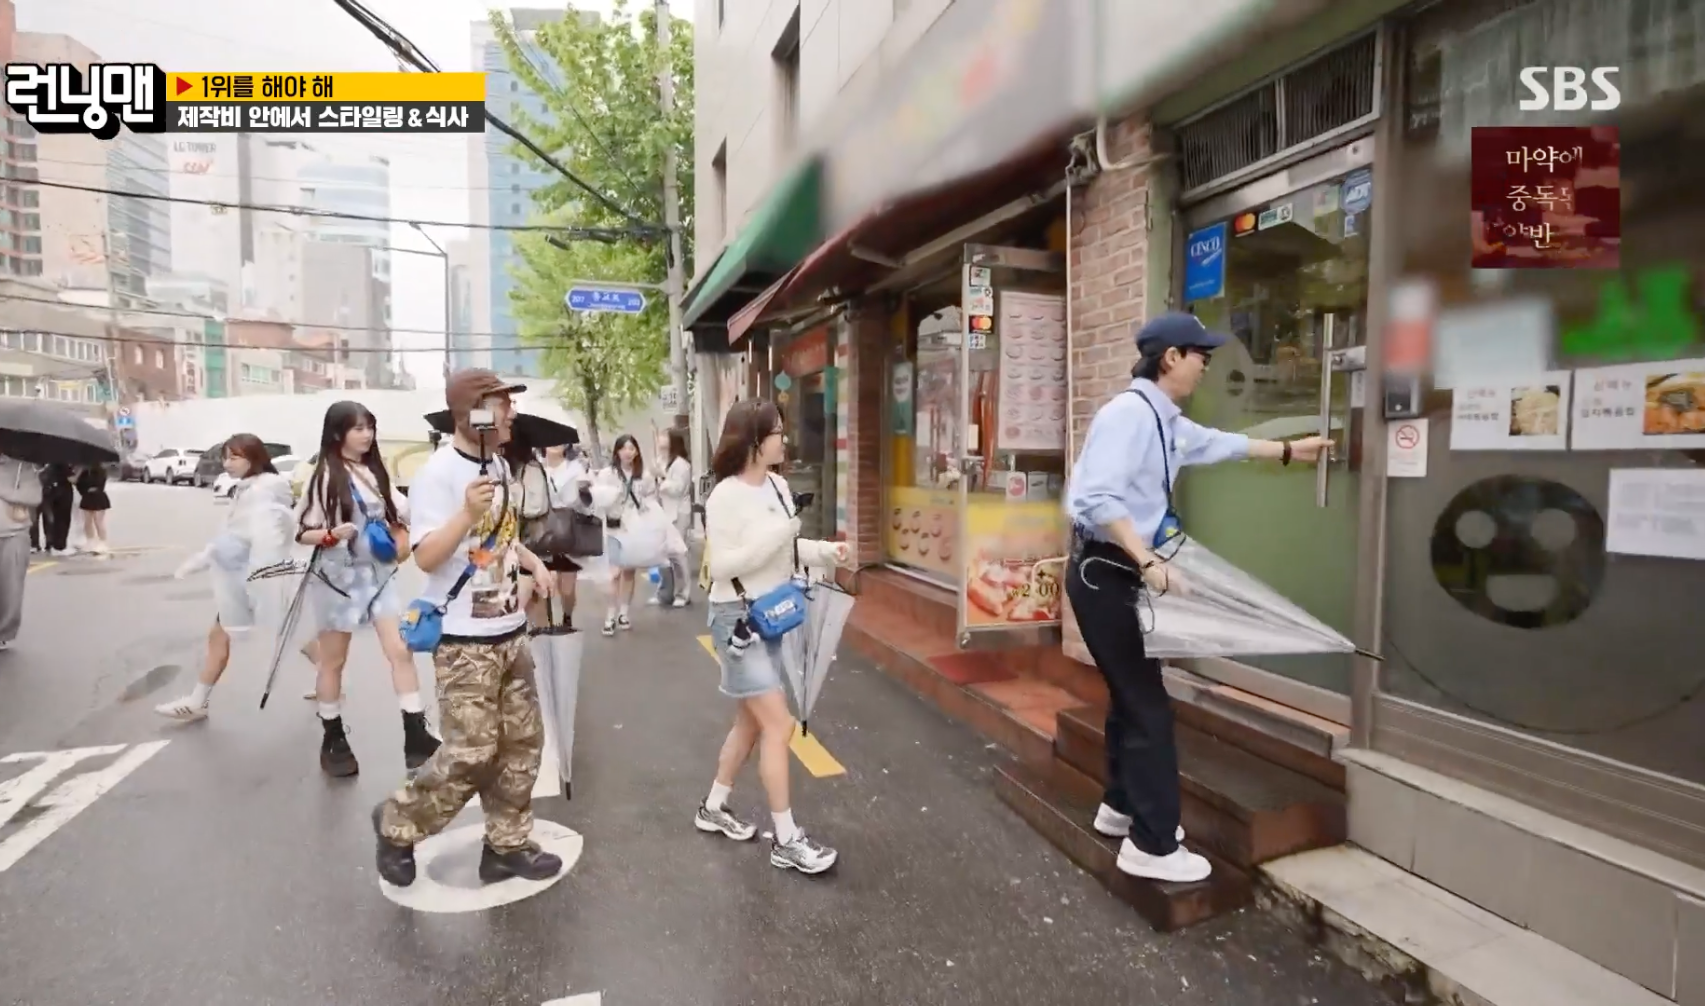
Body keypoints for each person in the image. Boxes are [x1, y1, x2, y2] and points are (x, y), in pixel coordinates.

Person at [1064, 312, 1332, 883]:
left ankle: (1120, 806)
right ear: (1170, 359)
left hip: (1116, 573)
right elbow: (1096, 498)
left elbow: (1218, 444)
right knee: (1148, 706)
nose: (1206, 364)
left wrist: (1289, 451)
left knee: (1131, 695)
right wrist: (1148, 558)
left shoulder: (1165, 422)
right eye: (1200, 354)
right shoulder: (1127, 417)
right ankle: (1152, 845)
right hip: (1104, 573)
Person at [371, 368, 563, 887]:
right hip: (463, 640)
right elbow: (426, 557)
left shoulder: (498, 465)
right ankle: (397, 825)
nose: (512, 415)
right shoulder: (439, 474)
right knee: (469, 753)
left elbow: (496, 537)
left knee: (522, 743)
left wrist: (532, 562)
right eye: (503, 405)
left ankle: (507, 845)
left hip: (509, 628)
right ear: (476, 413)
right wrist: (462, 512)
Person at [699, 400, 851, 875]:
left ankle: (713, 807)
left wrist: (826, 551)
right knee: (778, 725)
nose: (783, 440)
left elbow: (786, 551)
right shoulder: (724, 496)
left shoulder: (780, 486)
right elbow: (721, 565)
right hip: (735, 618)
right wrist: (783, 532)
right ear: (752, 441)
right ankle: (786, 840)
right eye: (776, 433)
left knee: (750, 723)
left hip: (771, 614)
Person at [295, 401, 440, 778]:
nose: (366, 435)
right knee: (334, 661)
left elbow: (406, 509)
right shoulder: (325, 476)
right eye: (358, 428)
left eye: (369, 427)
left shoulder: (375, 472)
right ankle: (333, 737)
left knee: (401, 650)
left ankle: (416, 734)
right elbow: (302, 531)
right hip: (338, 579)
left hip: (379, 575)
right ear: (338, 432)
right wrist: (330, 534)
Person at [154, 435, 297, 718]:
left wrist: (252, 575)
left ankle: (198, 702)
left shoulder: (261, 491)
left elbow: (259, 537)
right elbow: (236, 535)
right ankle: (331, 681)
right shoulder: (252, 488)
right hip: (255, 577)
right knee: (285, 632)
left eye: (234, 457)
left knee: (286, 632)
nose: (226, 464)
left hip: (254, 578)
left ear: (254, 458)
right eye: (225, 457)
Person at [593, 433, 658, 636]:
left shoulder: (644, 475)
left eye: (632, 448)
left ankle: (624, 613)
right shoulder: (607, 474)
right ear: (617, 451)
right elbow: (598, 499)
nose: (628, 452)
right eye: (624, 448)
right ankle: (610, 615)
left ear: (636, 451)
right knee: (614, 573)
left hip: (635, 529)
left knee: (629, 572)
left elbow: (651, 499)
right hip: (614, 527)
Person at [0, 454, 42, 649]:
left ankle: (3, 631)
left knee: (11, 588)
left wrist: (5, 490)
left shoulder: (22, 466)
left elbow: (34, 496)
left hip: (13, 533)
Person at [652, 427, 694, 608]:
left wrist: (661, 478)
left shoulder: (681, 464)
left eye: (664, 436)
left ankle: (682, 593)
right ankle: (664, 593)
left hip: (678, 513)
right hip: (661, 513)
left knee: (678, 554)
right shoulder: (660, 460)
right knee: (662, 554)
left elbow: (677, 489)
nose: (660, 439)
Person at [75, 463, 112, 554]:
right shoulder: (84, 472)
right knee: (87, 521)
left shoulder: (100, 470)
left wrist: (93, 488)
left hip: (98, 496)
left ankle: (102, 542)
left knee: (98, 521)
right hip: (87, 497)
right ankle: (90, 541)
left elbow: (100, 483)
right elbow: (78, 484)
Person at [38, 463, 74, 557]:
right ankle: (59, 546)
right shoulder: (63, 460)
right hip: (62, 490)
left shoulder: (47, 460)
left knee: (50, 517)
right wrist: (79, 470)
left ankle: (50, 543)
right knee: (63, 518)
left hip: (49, 489)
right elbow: (72, 479)